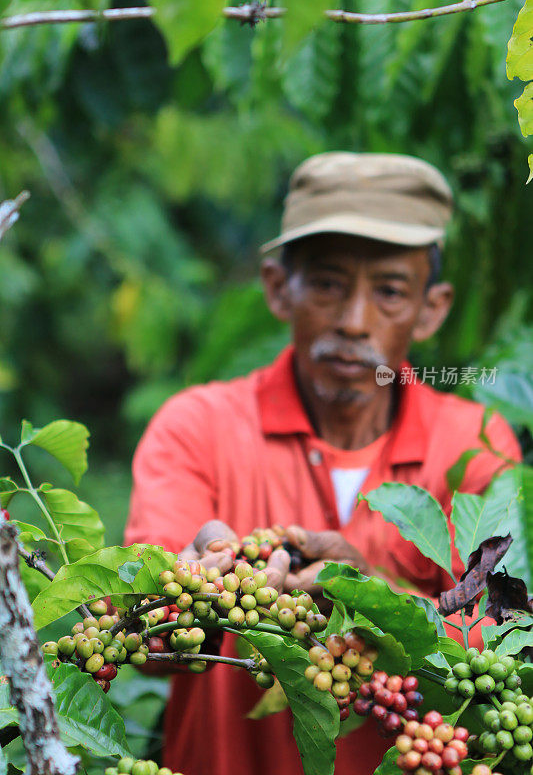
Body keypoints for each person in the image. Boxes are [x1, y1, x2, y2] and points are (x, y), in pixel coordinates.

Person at [125, 152, 521, 775]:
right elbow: (138, 639)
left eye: (389, 291)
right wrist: (187, 593)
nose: (354, 321)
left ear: (431, 307)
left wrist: (376, 599)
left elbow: (506, 649)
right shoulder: (196, 428)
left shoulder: (474, 444)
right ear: (280, 289)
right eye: (329, 284)